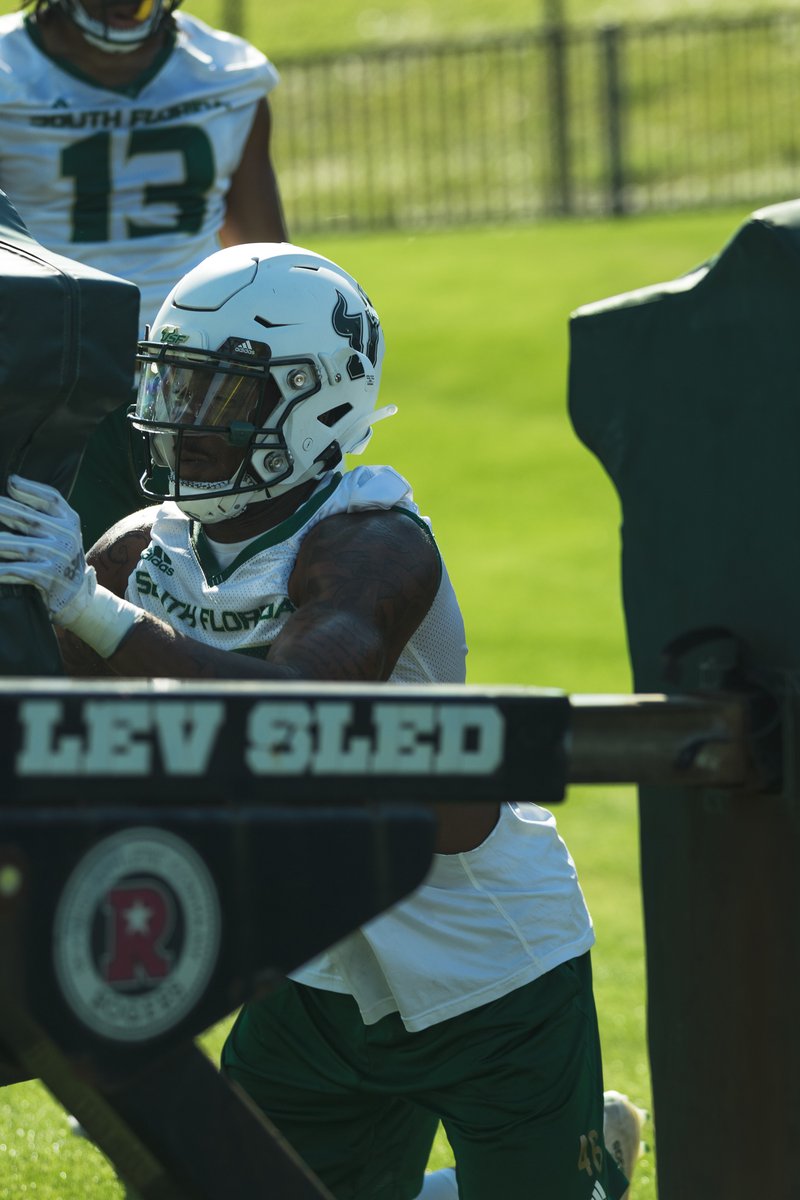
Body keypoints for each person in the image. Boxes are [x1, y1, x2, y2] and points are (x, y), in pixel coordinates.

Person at [0, 241, 636, 1200]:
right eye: (173, 384)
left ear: (320, 401)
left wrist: (84, 606)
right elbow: (47, 722)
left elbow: (299, 714)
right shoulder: (139, 553)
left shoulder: (376, 544)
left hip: (483, 953)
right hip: (309, 945)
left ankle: (588, 1174)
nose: (183, 421)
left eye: (222, 394)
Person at [0, 0, 289, 547]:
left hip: (202, 381)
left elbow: (265, 261)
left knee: (222, 580)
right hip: (49, 384)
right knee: (53, 583)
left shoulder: (228, 74)